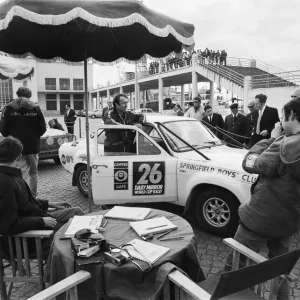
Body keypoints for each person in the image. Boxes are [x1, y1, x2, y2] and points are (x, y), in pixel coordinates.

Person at [224, 96, 300, 300]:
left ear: (292, 115)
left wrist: (272, 138)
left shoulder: (283, 144)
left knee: (236, 266)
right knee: (281, 269)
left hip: (259, 218)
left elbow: (250, 162)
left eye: (284, 118)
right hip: (289, 222)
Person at [0, 136, 84, 255]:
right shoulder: (5, 182)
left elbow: (24, 202)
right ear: (19, 157)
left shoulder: (11, 175)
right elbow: (8, 225)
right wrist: (41, 221)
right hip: (28, 238)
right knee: (76, 228)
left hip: (37, 219)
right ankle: (71, 264)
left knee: (76, 212)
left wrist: (48, 204)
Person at [0, 87, 46, 199]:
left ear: (17, 94)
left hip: (16, 147)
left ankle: (23, 197)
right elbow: (43, 129)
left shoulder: (8, 108)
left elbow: (3, 131)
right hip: (33, 146)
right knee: (33, 173)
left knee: (21, 173)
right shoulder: (36, 108)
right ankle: (33, 197)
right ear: (29, 95)